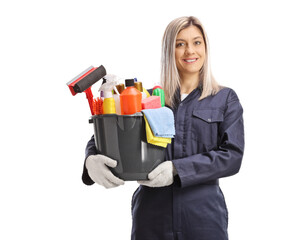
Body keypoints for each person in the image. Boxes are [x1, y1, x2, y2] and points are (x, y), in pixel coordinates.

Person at [82, 16, 245, 240]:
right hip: (151, 215)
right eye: (180, 44)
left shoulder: (224, 99)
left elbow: (232, 155)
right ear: (169, 50)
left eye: (197, 42)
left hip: (203, 216)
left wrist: (177, 170)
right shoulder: (148, 98)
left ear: (206, 47)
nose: (190, 51)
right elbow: (110, 132)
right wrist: (90, 159)